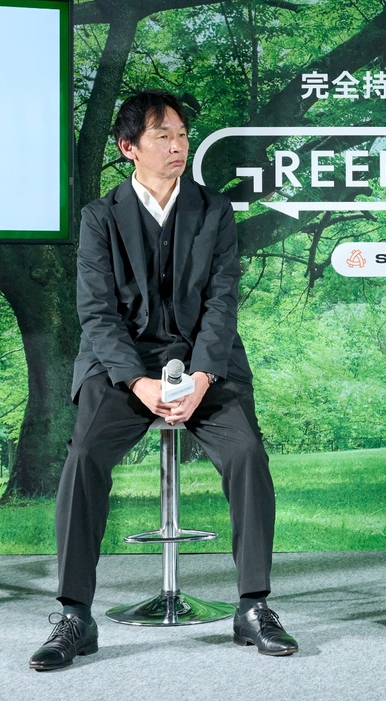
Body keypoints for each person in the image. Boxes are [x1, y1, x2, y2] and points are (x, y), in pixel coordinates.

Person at [29, 90, 297, 671]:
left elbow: (222, 303)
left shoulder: (214, 210)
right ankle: (75, 614)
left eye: (182, 135)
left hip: (206, 363)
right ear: (129, 147)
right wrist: (138, 382)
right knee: (84, 457)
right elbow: (97, 314)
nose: (178, 146)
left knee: (247, 453)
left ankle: (253, 606)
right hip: (121, 367)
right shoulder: (100, 217)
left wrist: (200, 376)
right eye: (163, 136)